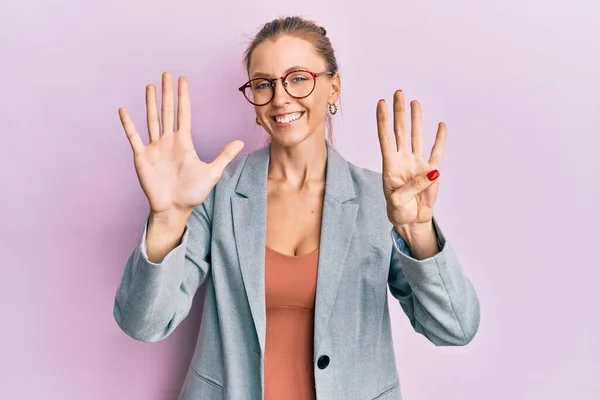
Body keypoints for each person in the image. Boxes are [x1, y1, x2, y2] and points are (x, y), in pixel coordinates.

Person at [114, 15, 480, 400]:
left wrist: (418, 230)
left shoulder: (382, 199)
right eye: (264, 84)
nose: (281, 97)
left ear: (333, 87)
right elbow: (144, 323)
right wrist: (166, 220)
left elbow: (454, 327)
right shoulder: (217, 191)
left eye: (298, 77)